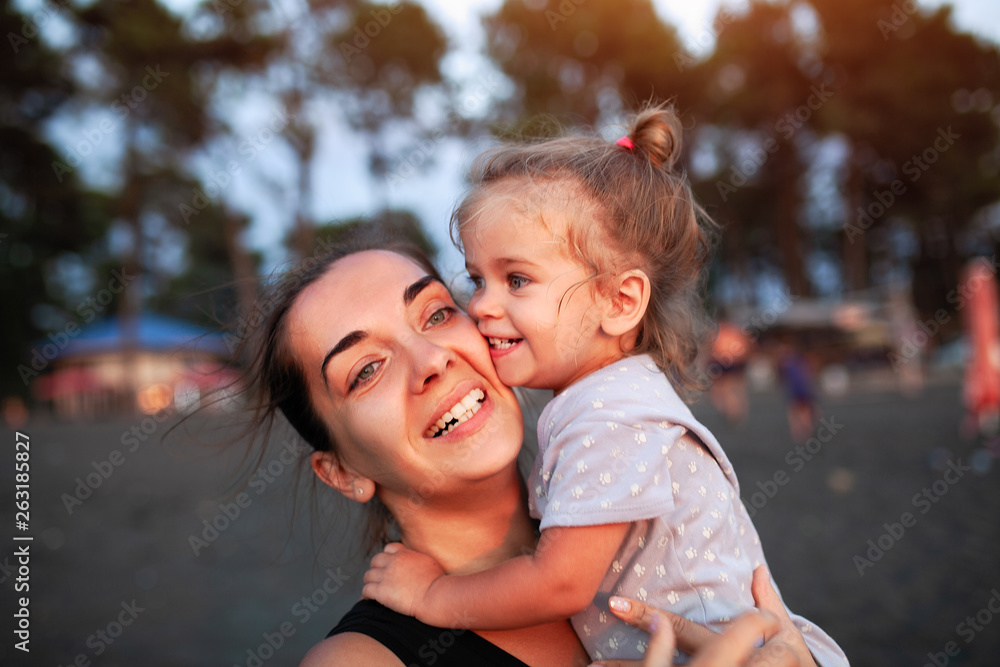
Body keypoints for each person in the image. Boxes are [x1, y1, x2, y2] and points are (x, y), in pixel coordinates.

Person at [361, 105, 848, 665]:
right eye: (477, 279)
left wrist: (432, 597)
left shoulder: (610, 415)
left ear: (619, 302)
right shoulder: (607, 399)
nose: (482, 304)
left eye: (516, 279)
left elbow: (559, 584)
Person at [233, 228, 825, 665]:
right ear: (340, 473)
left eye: (437, 312)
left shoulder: (651, 545)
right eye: (365, 370)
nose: (432, 359)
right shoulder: (360, 661)